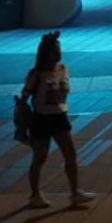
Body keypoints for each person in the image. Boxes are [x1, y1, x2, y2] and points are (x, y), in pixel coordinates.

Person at [20, 32, 95, 208]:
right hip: (41, 119)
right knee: (40, 157)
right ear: (45, 53)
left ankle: (75, 192)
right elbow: (24, 97)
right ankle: (35, 195)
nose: (58, 52)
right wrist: (24, 118)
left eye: (58, 49)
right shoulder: (37, 74)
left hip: (60, 116)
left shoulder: (62, 69)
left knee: (70, 154)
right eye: (54, 50)